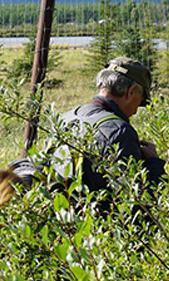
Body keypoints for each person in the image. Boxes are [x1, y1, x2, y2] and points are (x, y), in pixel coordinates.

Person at [57, 56, 166, 193]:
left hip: (62, 211)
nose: (136, 110)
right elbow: (135, 198)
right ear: (131, 91)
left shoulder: (65, 118)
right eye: (141, 101)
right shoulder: (120, 131)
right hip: (99, 213)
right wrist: (153, 162)